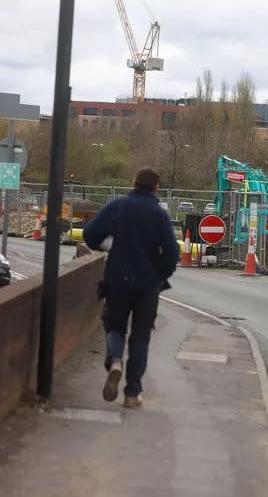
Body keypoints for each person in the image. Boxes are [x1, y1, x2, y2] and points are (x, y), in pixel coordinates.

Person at [84, 167, 179, 408]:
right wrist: (160, 274)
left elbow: (90, 233)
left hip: (117, 280)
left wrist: (108, 246)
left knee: (115, 325)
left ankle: (115, 360)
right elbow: (172, 252)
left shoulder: (119, 206)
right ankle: (132, 393)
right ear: (156, 187)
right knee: (141, 337)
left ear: (133, 182)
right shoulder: (159, 214)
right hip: (148, 286)